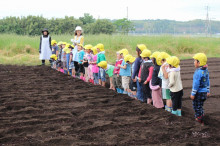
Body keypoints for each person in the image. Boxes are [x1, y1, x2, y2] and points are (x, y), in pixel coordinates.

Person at [190, 53, 210, 124]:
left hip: (199, 93)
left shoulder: (198, 72)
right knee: (200, 105)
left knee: (196, 106)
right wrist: (208, 90)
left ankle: (199, 120)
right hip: (204, 93)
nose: (194, 62)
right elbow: (207, 81)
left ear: (199, 62)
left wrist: (193, 93)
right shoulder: (206, 70)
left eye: (195, 61)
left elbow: (196, 84)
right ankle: (201, 115)